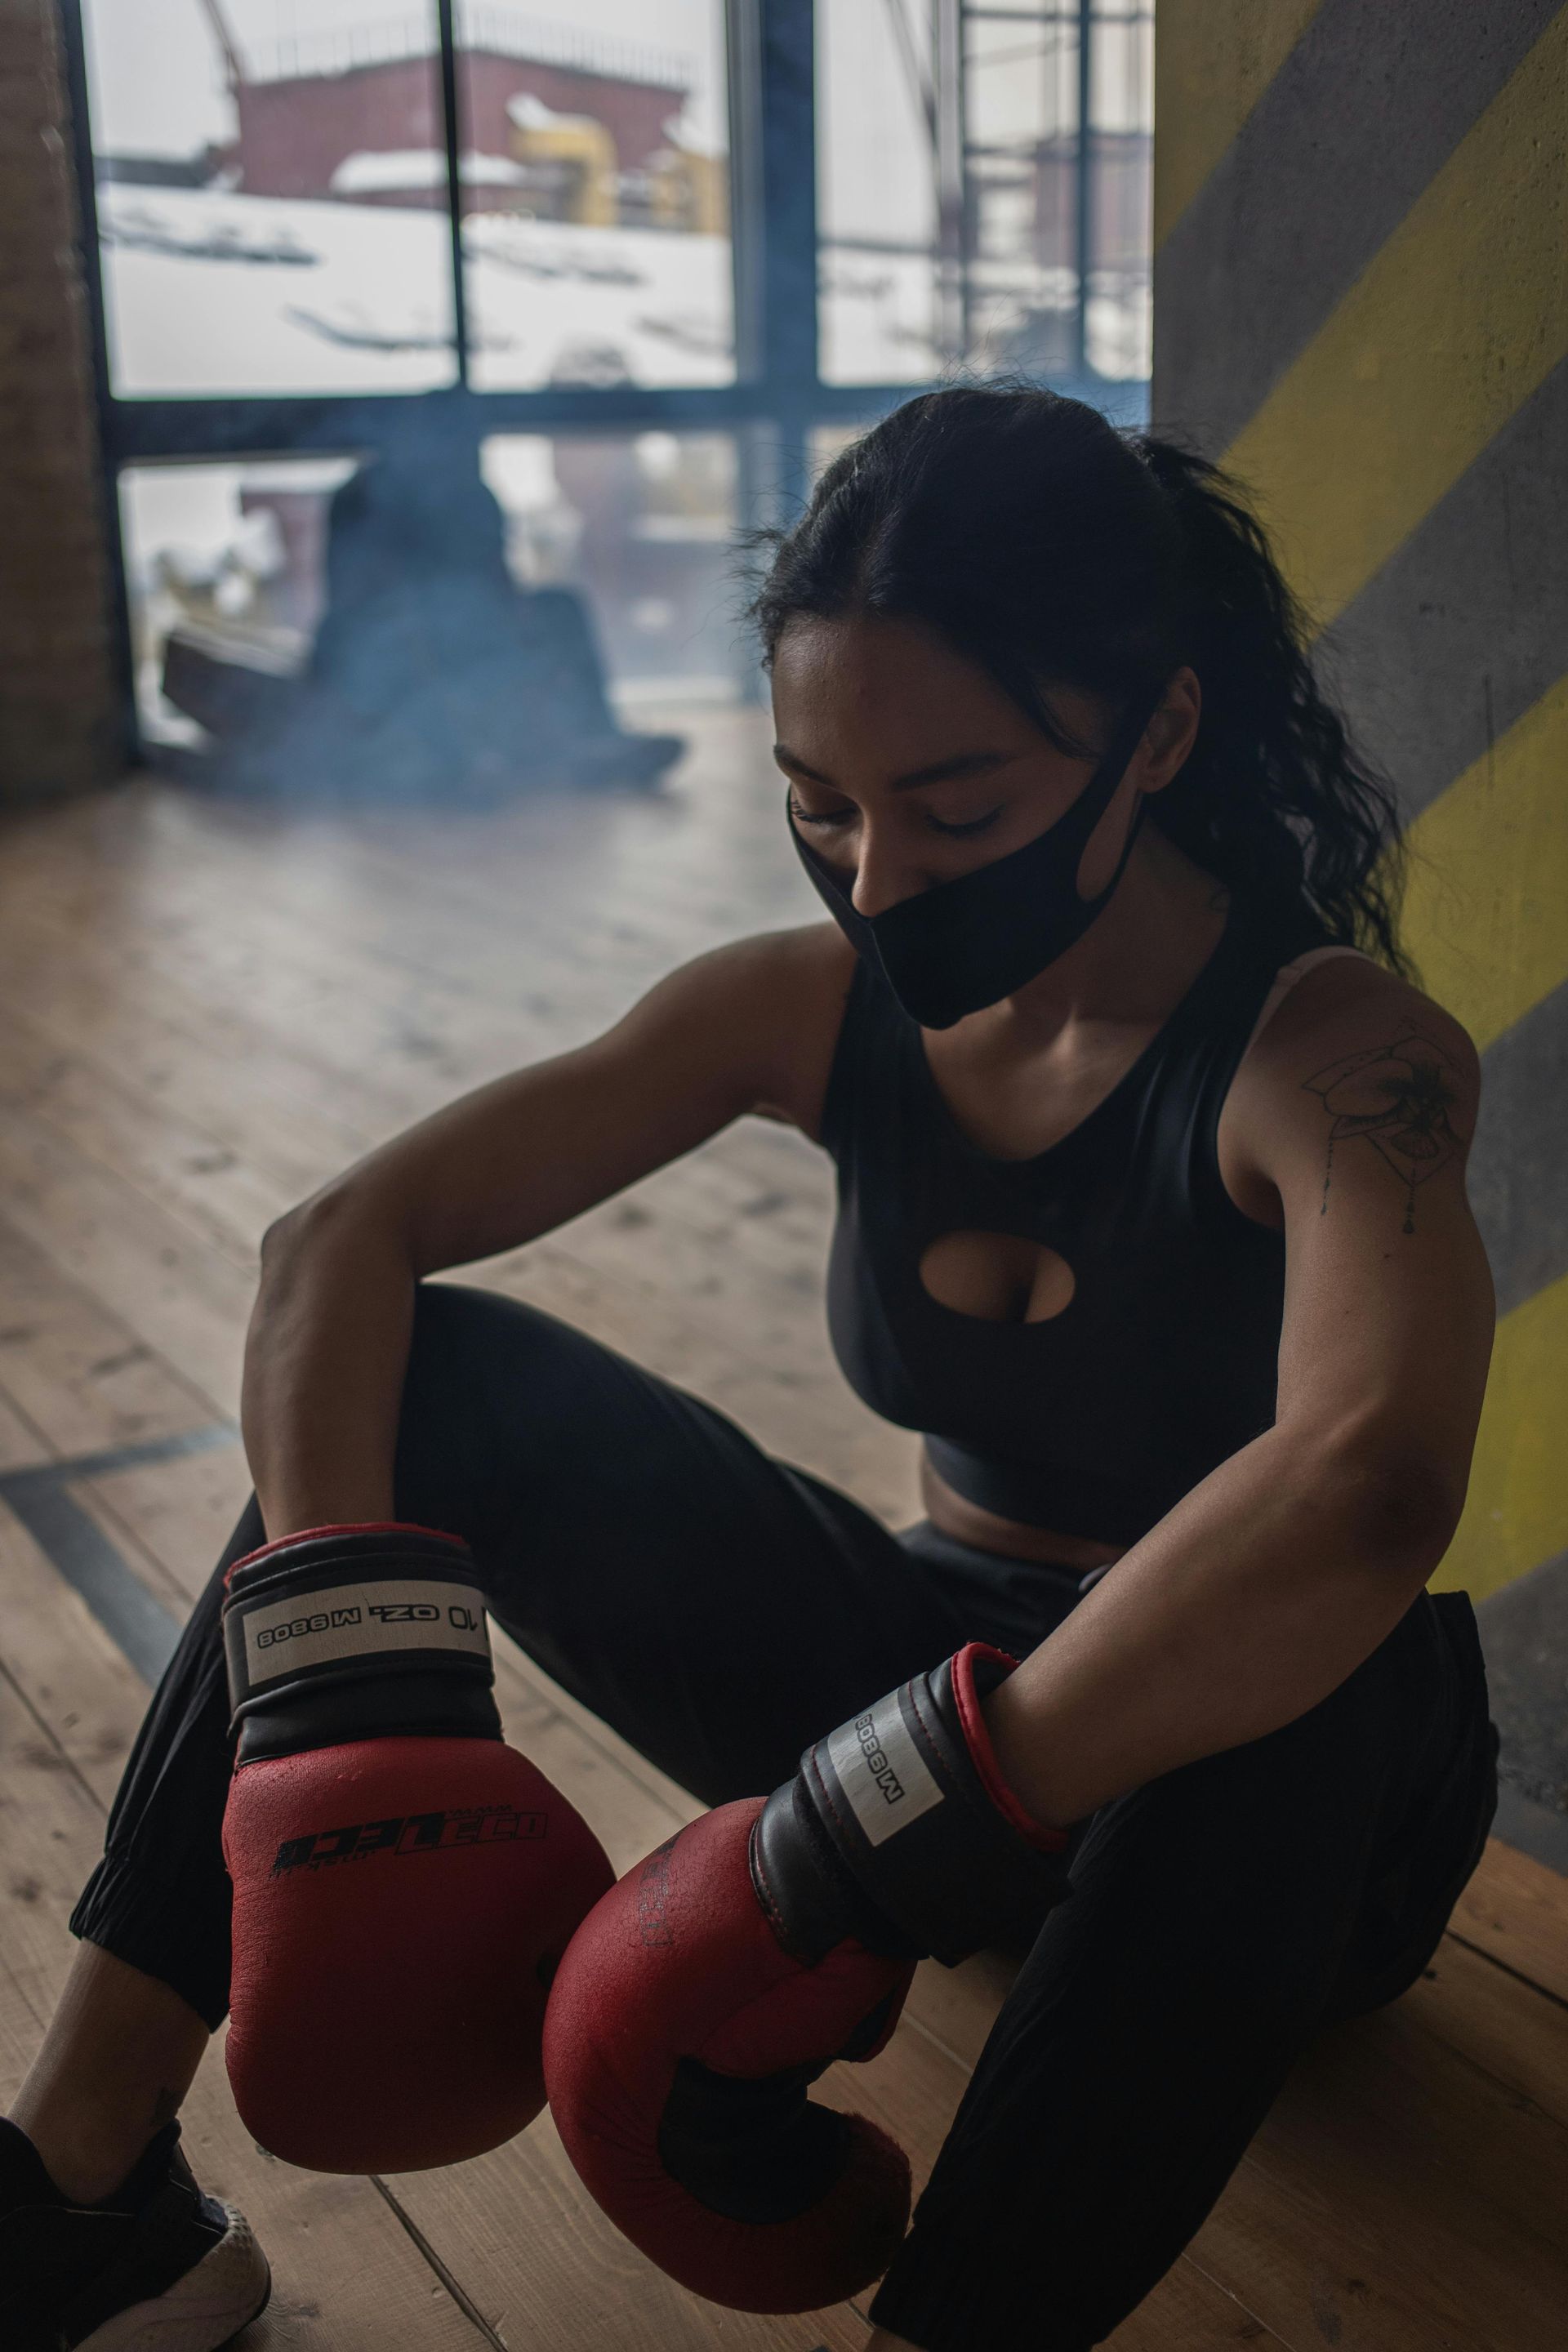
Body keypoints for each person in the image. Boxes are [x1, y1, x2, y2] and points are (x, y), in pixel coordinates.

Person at [2, 385, 1498, 2351]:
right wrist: (336, 1727)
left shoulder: (1334, 1057)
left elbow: (1368, 1487)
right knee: (433, 1380)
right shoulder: (805, 1011)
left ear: (1160, 731)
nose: (877, 882)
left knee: (1318, 1651)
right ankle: (74, 2194)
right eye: (820, 803)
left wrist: (850, 1846)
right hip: (945, 1680)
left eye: (956, 808)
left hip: (1289, 1822)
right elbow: (338, 1247)